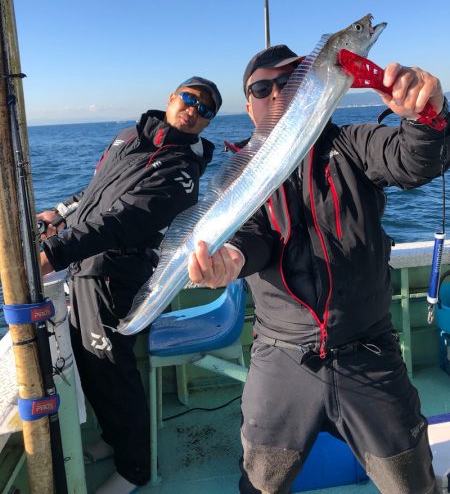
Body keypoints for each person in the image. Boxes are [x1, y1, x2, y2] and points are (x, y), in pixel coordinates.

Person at [188, 44, 450, 494]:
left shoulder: (352, 145)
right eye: (261, 87)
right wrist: (231, 258)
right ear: (249, 105)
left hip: (369, 353)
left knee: (413, 485)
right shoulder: (242, 173)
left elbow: (413, 158)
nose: (276, 94)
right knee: (260, 485)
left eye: (290, 83)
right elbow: (251, 237)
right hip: (279, 357)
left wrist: (425, 117)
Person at [38, 76, 222, 494]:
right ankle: (112, 440)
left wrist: (57, 251)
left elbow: (123, 218)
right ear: (172, 97)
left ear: (208, 123)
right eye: (190, 99)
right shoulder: (128, 137)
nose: (194, 110)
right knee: (90, 367)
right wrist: (60, 213)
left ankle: (135, 468)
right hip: (84, 266)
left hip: (115, 277)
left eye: (205, 110)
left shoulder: (182, 172)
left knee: (113, 373)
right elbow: (96, 191)